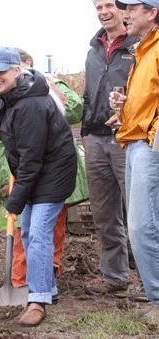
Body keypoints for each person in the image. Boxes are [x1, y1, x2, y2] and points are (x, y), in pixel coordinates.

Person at [0, 46, 77, 327]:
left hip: (53, 175)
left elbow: (32, 159)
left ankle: (37, 301)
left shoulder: (30, 104)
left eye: (1, 70)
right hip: (36, 174)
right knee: (28, 235)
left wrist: (15, 200)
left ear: (16, 70)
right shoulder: (10, 96)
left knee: (37, 233)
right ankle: (48, 288)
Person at [81, 0, 140, 296]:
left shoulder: (139, 44)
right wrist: (86, 132)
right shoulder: (93, 51)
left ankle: (148, 280)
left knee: (141, 211)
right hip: (95, 140)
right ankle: (115, 277)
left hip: (128, 138)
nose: (103, 11)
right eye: (97, 6)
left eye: (108, 5)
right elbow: (89, 94)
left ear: (122, 9)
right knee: (105, 214)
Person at [110, 0, 159, 322]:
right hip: (133, 141)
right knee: (145, 225)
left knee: (142, 227)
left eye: (133, 7)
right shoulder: (143, 52)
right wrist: (123, 107)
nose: (126, 13)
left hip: (148, 144)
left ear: (153, 12)